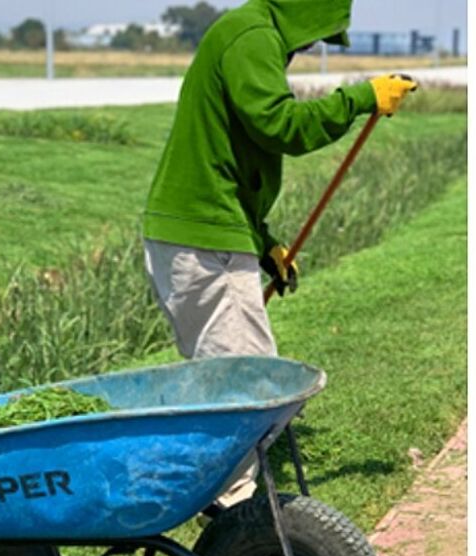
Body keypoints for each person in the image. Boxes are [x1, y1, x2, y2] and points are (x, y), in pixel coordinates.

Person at [142, 0, 417, 507]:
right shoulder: (253, 36)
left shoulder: (250, 32)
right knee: (244, 387)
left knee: (235, 381)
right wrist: (359, 98)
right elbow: (278, 125)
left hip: (210, 233)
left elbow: (227, 157)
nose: (312, 45)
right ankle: (242, 531)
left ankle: (238, 513)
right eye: (319, 32)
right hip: (205, 240)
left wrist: (261, 241)